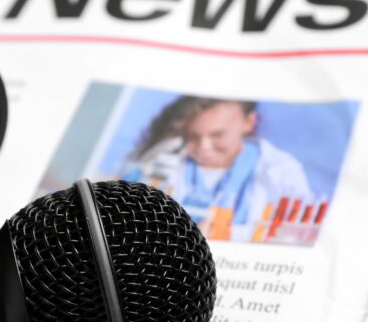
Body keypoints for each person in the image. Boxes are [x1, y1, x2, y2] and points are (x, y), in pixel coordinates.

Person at [121, 96, 312, 241]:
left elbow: (297, 234)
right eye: (193, 136)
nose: (204, 146)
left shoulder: (282, 171)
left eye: (218, 135)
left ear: (248, 123)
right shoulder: (158, 162)